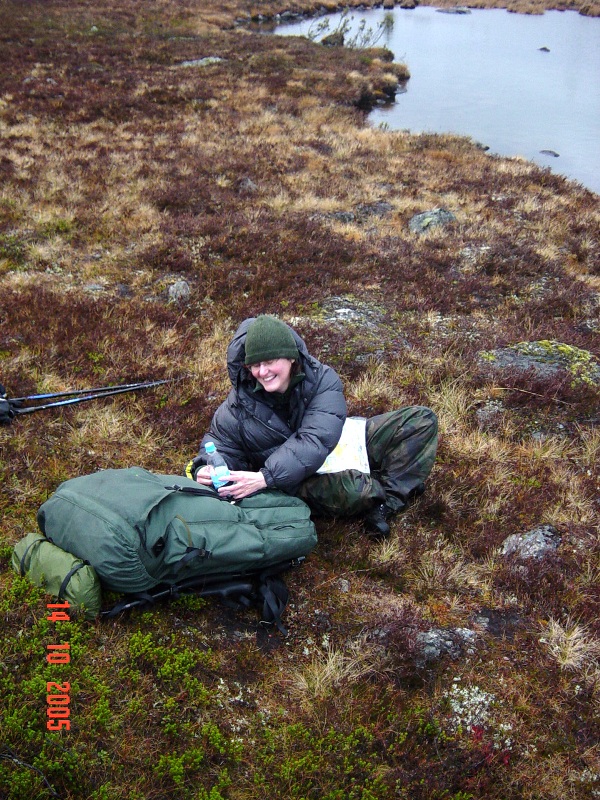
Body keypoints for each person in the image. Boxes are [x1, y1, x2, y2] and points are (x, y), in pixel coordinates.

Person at [187, 315, 438, 537]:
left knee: (420, 420)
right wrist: (205, 467)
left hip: (343, 443)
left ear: (290, 357)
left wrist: (265, 477)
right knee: (360, 490)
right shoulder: (236, 406)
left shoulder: (322, 379)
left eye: (270, 361)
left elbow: (315, 439)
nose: (262, 372)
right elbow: (219, 446)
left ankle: (387, 502)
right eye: (254, 365)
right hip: (301, 478)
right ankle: (398, 480)